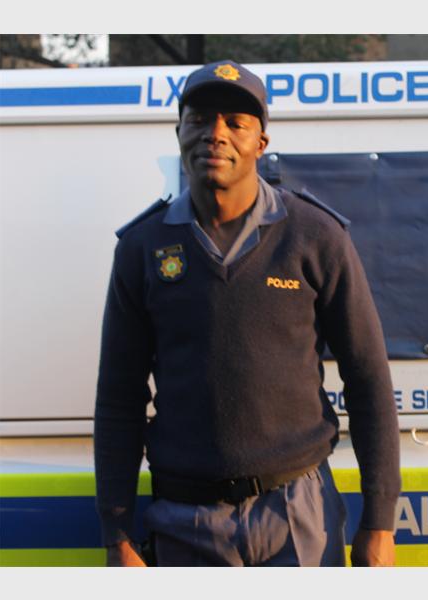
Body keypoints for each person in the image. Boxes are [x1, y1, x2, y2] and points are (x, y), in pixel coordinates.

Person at [94, 60, 401, 567]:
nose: (215, 134)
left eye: (235, 123)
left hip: (299, 513)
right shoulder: (142, 248)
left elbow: (368, 379)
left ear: (261, 142)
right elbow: (118, 400)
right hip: (184, 519)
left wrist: (380, 522)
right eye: (199, 120)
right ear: (178, 133)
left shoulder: (316, 236)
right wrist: (118, 536)